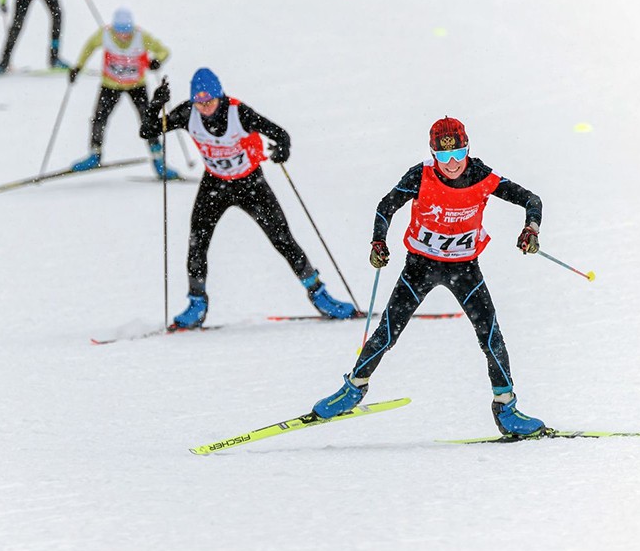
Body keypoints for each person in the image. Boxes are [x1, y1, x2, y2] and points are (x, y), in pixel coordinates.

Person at [311, 116, 547, 437]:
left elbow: (532, 200)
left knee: (490, 336)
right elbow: (386, 206)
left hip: (464, 268)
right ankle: (353, 389)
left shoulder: (481, 175)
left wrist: (530, 228)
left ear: (467, 149)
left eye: (458, 154)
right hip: (419, 266)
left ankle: (506, 408)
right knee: (388, 332)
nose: (451, 164)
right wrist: (378, 241)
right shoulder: (420, 175)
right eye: (443, 156)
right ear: (432, 154)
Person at [141, 68, 357, 329]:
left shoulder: (238, 112)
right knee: (197, 242)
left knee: (283, 240)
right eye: (200, 103)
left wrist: (281, 151)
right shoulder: (188, 113)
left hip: (250, 184)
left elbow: (279, 133)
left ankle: (320, 295)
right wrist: (155, 105)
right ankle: (196, 304)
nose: (205, 108)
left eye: (210, 101)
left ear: (219, 97)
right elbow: (149, 131)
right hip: (215, 184)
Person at [68, 8, 177, 179]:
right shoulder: (104, 34)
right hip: (110, 85)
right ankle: (94, 154)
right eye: (119, 32)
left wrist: (157, 61)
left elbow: (164, 51)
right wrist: (78, 67)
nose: (123, 36)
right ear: (113, 29)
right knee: (99, 118)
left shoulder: (141, 37)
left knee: (148, 122)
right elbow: (89, 47)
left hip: (137, 86)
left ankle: (158, 161)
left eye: (127, 32)